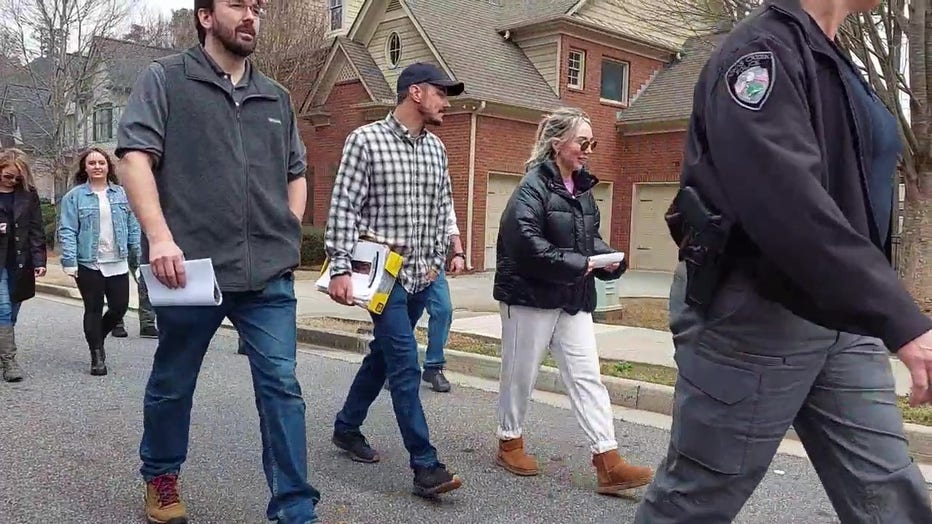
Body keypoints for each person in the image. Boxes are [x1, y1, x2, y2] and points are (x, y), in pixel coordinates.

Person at [633, 0, 932, 522]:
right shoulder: (761, 54)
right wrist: (902, 321)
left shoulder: (833, 60)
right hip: (758, 316)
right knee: (697, 499)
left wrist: (877, 305)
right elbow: (787, 203)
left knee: (889, 492)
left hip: (843, 317)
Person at [114, 1, 321, 523]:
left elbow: (296, 171)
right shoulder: (165, 80)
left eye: (258, 7)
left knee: (282, 387)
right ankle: (160, 477)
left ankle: (294, 508)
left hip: (267, 275)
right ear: (206, 16)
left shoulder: (276, 96)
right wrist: (159, 238)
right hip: (190, 273)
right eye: (238, 5)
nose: (251, 15)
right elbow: (134, 155)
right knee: (173, 381)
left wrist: (288, 226)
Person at [491, 107, 653, 495]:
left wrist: (607, 259)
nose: (589, 150)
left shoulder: (582, 188)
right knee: (521, 373)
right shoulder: (531, 188)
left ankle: (608, 461)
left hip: (572, 296)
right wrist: (579, 263)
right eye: (583, 142)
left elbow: (586, 239)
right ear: (556, 143)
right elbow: (526, 243)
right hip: (528, 296)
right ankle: (509, 441)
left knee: (587, 376)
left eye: (591, 142)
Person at [325, 61, 464, 498]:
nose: (446, 102)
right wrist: (340, 268)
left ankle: (346, 427)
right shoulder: (365, 140)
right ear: (416, 93)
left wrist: (454, 244)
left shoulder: (436, 148)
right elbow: (344, 207)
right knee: (406, 366)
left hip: (424, 272)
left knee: (382, 358)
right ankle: (426, 466)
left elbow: (444, 202)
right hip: (384, 278)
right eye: (442, 93)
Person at [58, 148, 141, 376]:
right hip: (88, 262)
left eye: (101, 163)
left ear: (108, 166)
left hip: (118, 261)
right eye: (92, 163)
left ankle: (97, 338)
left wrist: (138, 258)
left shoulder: (122, 194)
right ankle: (96, 354)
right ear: (85, 167)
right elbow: (67, 229)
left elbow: (134, 227)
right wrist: (69, 260)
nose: (97, 167)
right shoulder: (74, 197)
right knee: (92, 309)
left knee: (118, 308)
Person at [0, 150, 46, 382]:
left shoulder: (28, 195)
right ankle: (9, 361)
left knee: (12, 311)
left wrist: (39, 261)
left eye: (17, 178)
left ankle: (3, 348)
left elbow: (36, 229)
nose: (12, 182)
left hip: (19, 260)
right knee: (4, 309)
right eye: (8, 176)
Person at [420, 207, 465, 392]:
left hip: (432, 263)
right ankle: (394, 366)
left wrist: (458, 253)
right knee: (403, 314)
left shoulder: (438, 180)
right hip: (401, 260)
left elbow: (449, 220)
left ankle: (433, 367)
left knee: (443, 310)